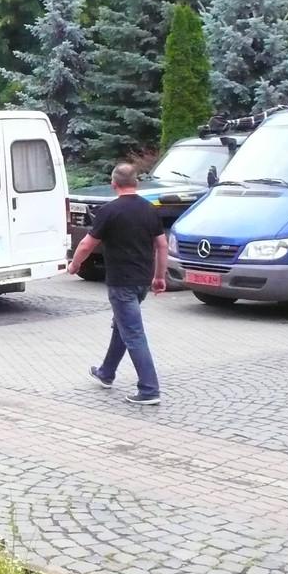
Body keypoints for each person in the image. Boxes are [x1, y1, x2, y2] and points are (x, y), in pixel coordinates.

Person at [68, 163, 166, 405]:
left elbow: (86, 245)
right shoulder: (149, 209)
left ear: (114, 184)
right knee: (121, 326)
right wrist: (159, 276)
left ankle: (149, 389)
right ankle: (106, 372)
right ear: (137, 183)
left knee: (133, 333)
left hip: (121, 283)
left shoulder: (109, 211)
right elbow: (162, 246)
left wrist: (75, 265)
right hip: (142, 281)